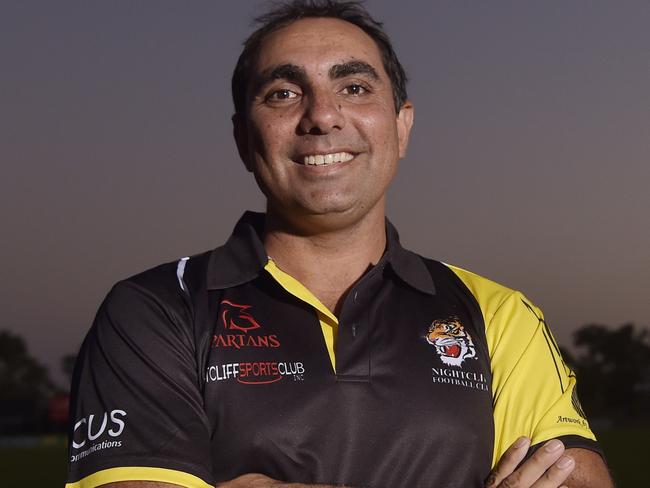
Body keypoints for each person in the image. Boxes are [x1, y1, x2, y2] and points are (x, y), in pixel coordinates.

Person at [65, 1, 614, 487]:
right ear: (242, 137)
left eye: (354, 88)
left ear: (401, 127)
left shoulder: (497, 314)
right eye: (283, 93)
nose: (323, 116)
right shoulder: (155, 309)